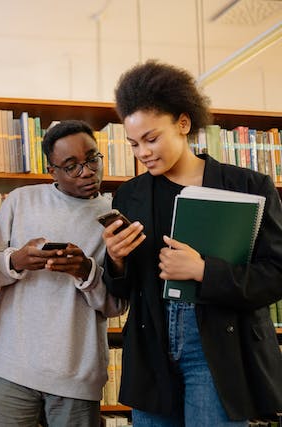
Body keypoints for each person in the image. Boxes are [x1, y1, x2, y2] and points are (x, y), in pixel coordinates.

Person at [101, 59, 282, 426]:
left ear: (183, 123)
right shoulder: (129, 196)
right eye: (133, 144)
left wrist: (204, 271)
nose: (143, 153)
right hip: (150, 348)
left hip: (218, 347)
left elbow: (276, 274)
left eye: (152, 138)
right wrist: (116, 261)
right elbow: (123, 287)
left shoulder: (248, 186)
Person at [0, 120, 127, 427]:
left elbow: (117, 305)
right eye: (71, 166)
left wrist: (86, 271)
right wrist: (16, 260)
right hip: (12, 367)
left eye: (92, 159)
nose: (87, 171)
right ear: (53, 171)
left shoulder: (115, 216)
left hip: (77, 374)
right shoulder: (21, 200)